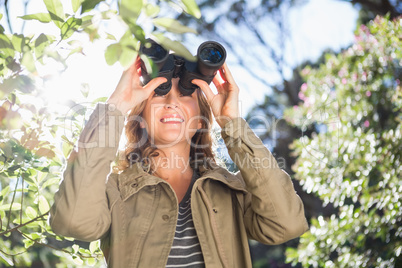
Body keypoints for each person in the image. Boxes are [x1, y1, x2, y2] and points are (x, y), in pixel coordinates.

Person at [49, 46, 309, 267]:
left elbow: (286, 224)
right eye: (159, 92)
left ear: (201, 120)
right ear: (139, 116)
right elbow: (71, 221)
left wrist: (232, 124)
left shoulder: (234, 190)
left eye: (186, 94)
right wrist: (114, 109)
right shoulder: (115, 191)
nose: (172, 102)